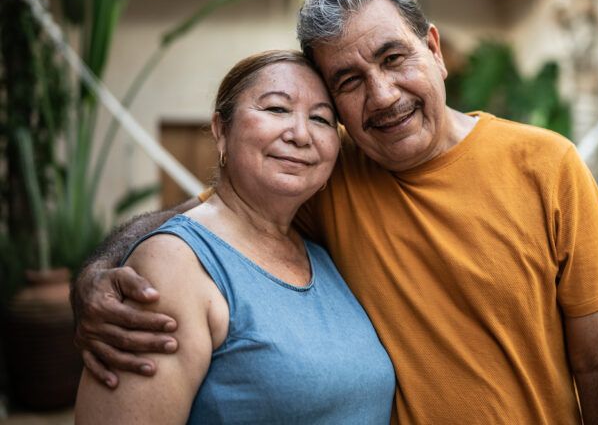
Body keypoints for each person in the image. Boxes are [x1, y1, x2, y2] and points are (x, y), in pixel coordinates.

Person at [73, 0, 598, 424]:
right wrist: (98, 273)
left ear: (434, 50)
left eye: (394, 59)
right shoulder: (325, 173)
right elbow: (206, 225)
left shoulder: (547, 164)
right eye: (348, 81)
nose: (382, 95)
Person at [74, 50, 395, 424]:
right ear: (221, 130)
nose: (300, 134)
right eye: (276, 109)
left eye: (321, 119)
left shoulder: (322, 253)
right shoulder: (172, 266)